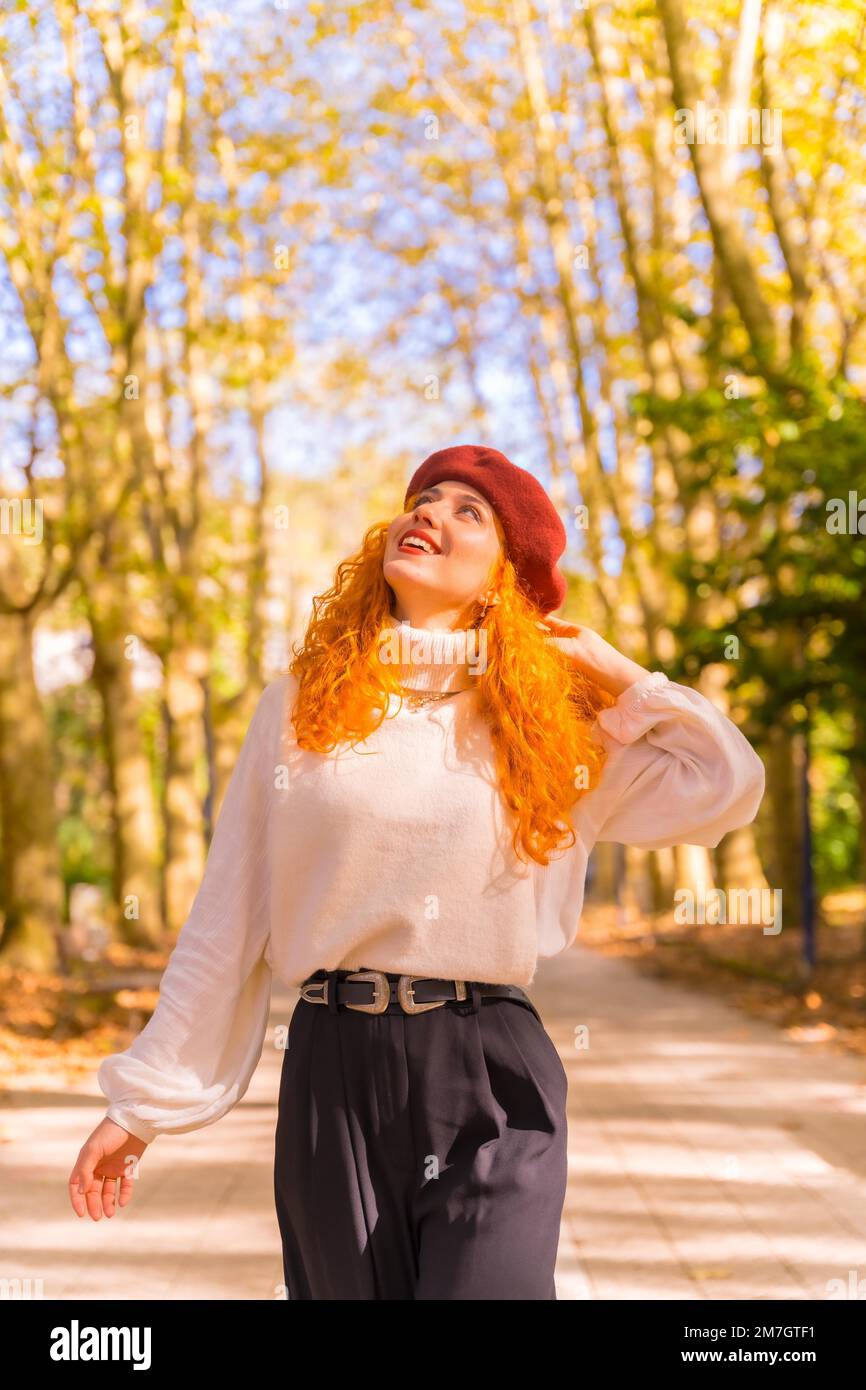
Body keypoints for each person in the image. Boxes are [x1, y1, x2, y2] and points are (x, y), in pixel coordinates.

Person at [68, 443, 766, 1300]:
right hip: (333, 1066)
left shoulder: (551, 725)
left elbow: (726, 788)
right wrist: (139, 1109)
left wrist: (620, 676)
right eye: (423, 498)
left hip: (488, 1067)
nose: (429, 513)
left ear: (507, 576)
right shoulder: (299, 706)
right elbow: (227, 916)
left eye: (468, 511)